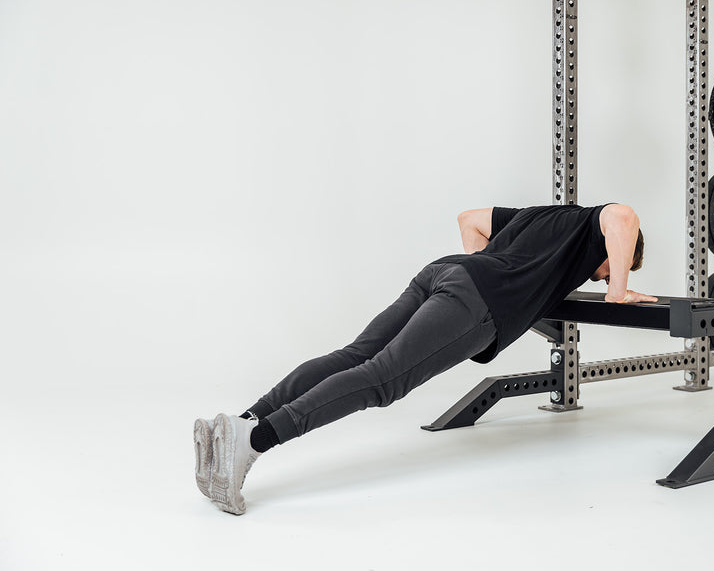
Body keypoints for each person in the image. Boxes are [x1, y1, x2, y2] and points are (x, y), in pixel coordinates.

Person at [194, 202, 657, 515]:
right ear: (617, 250)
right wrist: (619, 292)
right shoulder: (601, 226)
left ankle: (236, 425)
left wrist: (489, 265)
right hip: (476, 300)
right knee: (382, 379)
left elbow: (469, 219)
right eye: (608, 269)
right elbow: (623, 215)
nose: (599, 279)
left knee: (355, 355)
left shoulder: (543, 217)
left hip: (444, 272)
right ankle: (255, 440)